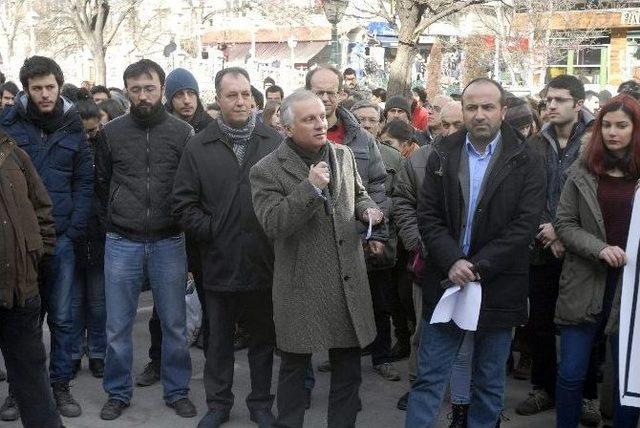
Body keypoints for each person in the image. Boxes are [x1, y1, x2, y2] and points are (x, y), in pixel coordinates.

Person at [406, 77, 546, 427]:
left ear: (502, 110)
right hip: (446, 281)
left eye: (488, 107)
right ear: (463, 110)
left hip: (499, 284)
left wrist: (478, 266)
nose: (479, 114)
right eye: (472, 107)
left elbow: (524, 226)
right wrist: (453, 261)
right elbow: (429, 215)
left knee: (488, 383)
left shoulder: (527, 157)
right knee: (429, 379)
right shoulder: (442, 151)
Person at [250, 89, 383, 428]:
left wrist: (368, 210)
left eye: (322, 116)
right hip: (301, 287)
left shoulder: (343, 155)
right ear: (287, 127)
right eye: (309, 119)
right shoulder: (266, 170)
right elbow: (273, 224)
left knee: (348, 371)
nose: (320, 124)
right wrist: (308, 189)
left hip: (346, 284)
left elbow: (360, 195)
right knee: (295, 371)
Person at [172, 67, 280, 428]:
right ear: (217, 99)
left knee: (263, 342)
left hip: (264, 262)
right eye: (231, 95)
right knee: (217, 342)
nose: (240, 101)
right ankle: (218, 404)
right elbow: (183, 204)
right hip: (217, 263)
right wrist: (213, 230)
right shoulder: (198, 145)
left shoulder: (273, 142)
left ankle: (260, 403)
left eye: (246, 94)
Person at [94, 59, 196, 420]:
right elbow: (102, 183)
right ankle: (118, 392)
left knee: (174, 324)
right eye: (135, 89)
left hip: (170, 239)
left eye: (149, 88)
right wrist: (115, 220)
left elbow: (190, 187)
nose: (142, 95)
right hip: (122, 239)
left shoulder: (183, 134)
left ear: (161, 89)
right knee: (118, 325)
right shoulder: (111, 133)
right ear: (127, 91)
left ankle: (177, 390)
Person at [0, 55, 93, 419]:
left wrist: (71, 230)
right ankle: (19, 393)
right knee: (22, 321)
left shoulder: (73, 126)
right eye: (36, 88)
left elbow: (84, 181)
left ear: (59, 85)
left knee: (64, 318)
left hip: (63, 239)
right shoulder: (8, 125)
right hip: (21, 246)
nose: (44, 94)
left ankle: (60, 385)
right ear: (26, 90)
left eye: (50, 87)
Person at [515, 75, 599, 425]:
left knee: (585, 322)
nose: (550, 106)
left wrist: (564, 231)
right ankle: (543, 387)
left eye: (559, 100)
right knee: (541, 322)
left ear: (578, 104)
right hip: (542, 246)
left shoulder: (596, 140)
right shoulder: (535, 143)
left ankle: (588, 395)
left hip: (583, 248)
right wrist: (549, 231)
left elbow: (599, 193)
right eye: (548, 100)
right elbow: (527, 193)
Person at [554, 94, 640, 428]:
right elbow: (565, 223)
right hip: (584, 280)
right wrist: (599, 248)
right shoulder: (583, 169)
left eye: (621, 125)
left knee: (627, 376)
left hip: (631, 286)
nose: (612, 132)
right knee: (572, 370)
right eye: (606, 125)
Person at [304, 65, 390, 379]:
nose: (325, 99)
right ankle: (305, 385)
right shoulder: (294, 135)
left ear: (342, 94)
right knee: (312, 317)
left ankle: (359, 377)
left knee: (362, 309)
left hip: (353, 239)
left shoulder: (361, 138)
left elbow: (377, 186)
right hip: (310, 242)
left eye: (331, 92)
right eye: (318, 92)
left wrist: (376, 229)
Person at [136, 66, 214, 388]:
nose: (185, 101)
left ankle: (214, 364)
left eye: (190, 94)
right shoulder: (164, 128)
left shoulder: (212, 130)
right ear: (169, 98)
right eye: (179, 95)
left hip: (203, 231)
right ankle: (158, 360)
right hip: (169, 230)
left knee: (212, 302)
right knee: (164, 304)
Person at [393, 99, 465, 412]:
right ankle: (418, 387)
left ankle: (464, 396)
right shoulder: (419, 159)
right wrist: (418, 243)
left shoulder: (484, 160)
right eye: (441, 126)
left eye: (455, 126)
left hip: (472, 265)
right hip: (428, 263)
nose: (447, 132)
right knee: (424, 331)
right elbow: (403, 202)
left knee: (471, 335)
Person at [0, 129, 63, 428]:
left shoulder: (13, 153)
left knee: (33, 379)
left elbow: (42, 207)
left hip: (20, 292)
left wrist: (37, 254)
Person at [70, 93, 106, 379]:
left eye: (93, 131)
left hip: (100, 234)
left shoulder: (105, 148)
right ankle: (72, 353)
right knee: (72, 303)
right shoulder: (66, 148)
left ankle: (97, 352)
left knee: (97, 303)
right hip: (73, 234)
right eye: (85, 131)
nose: (89, 136)